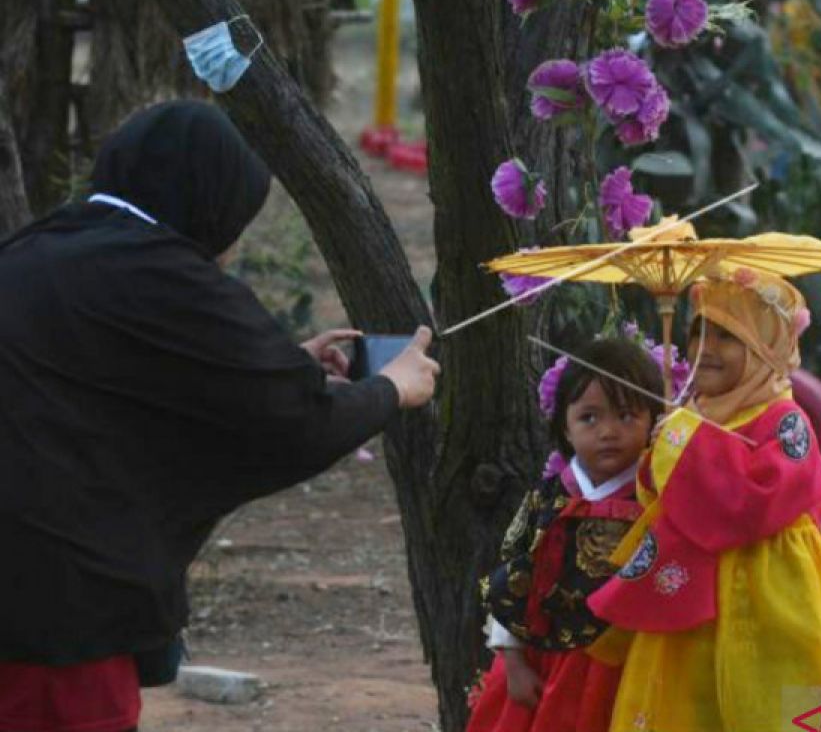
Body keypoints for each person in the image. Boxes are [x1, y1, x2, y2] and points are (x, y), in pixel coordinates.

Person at [0, 100, 440, 732]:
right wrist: (392, 389)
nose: (233, 244)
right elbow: (290, 422)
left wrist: (279, 363)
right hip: (59, 618)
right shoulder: (167, 275)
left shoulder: (44, 247)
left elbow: (115, 383)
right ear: (210, 200)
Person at [588, 272, 821, 731]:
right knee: (690, 701)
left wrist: (686, 442)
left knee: (776, 696)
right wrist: (662, 451)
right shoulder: (694, 412)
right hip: (690, 596)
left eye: (727, 335)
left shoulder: (786, 420)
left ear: (767, 347)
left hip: (773, 591)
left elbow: (756, 502)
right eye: (700, 330)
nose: (707, 346)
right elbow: (661, 497)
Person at [466, 338, 663, 732]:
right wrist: (515, 663)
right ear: (565, 429)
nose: (608, 431)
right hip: (548, 662)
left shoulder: (657, 500)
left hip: (633, 663)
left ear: (655, 422)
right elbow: (515, 576)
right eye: (589, 418)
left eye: (626, 416)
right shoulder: (547, 500)